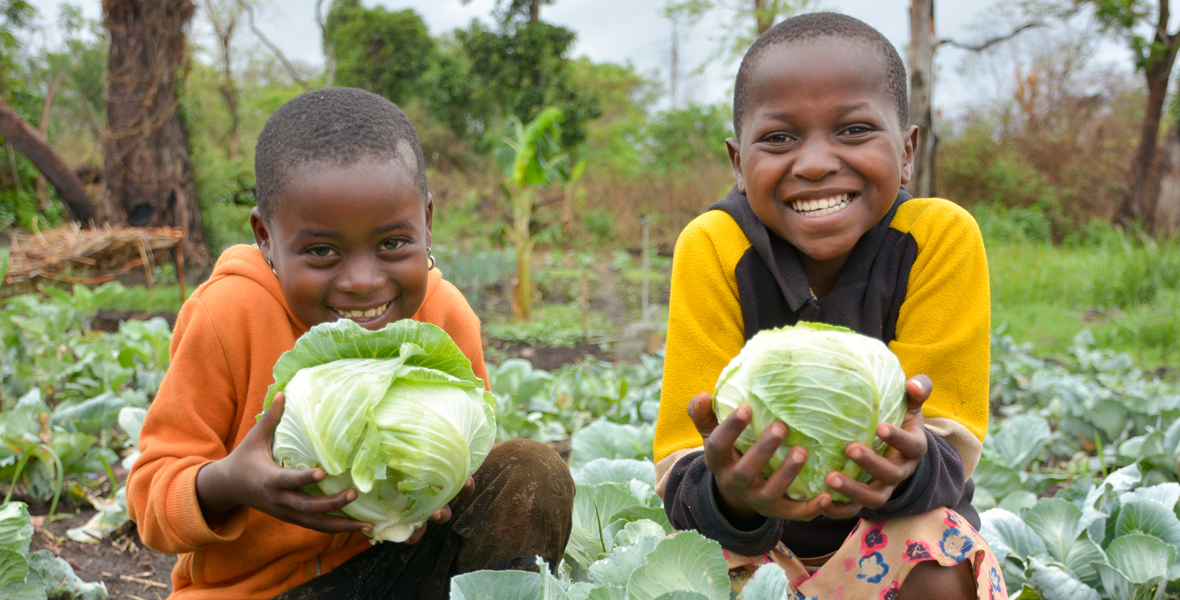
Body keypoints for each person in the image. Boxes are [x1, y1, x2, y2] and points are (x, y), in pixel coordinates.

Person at [126, 88, 574, 600]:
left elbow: (470, 458)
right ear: (265, 236)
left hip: (396, 571)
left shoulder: (447, 316)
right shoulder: (228, 315)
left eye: (392, 244)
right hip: (259, 593)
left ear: (427, 221)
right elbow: (148, 501)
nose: (363, 281)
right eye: (322, 251)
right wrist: (229, 482)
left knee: (533, 472)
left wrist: (444, 482)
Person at [653, 13, 1006, 600]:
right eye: (779, 138)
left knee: (941, 571)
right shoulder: (712, 244)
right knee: (684, 581)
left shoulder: (941, 237)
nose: (815, 162)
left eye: (854, 130)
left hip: (892, 539)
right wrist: (730, 494)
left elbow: (952, 442)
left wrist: (910, 466)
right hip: (756, 551)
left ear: (908, 150)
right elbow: (680, 460)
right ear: (738, 163)